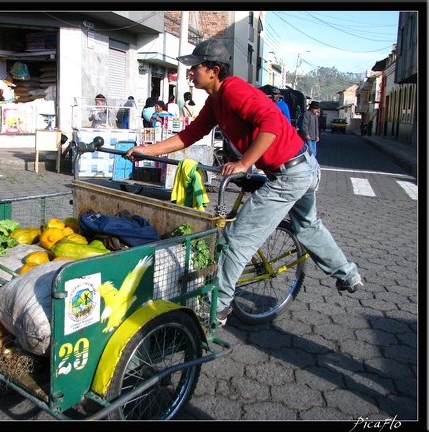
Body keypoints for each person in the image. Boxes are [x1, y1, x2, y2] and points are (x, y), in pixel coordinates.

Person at [125, 38, 362, 325]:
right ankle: (348, 275)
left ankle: (218, 309)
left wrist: (244, 163)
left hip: (291, 174)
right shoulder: (215, 101)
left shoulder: (233, 91)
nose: (189, 72)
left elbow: (272, 124)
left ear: (213, 70)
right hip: (300, 168)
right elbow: (190, 135)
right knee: (308, 226)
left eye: (194, 67)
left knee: (236, 239)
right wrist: (146, 151)